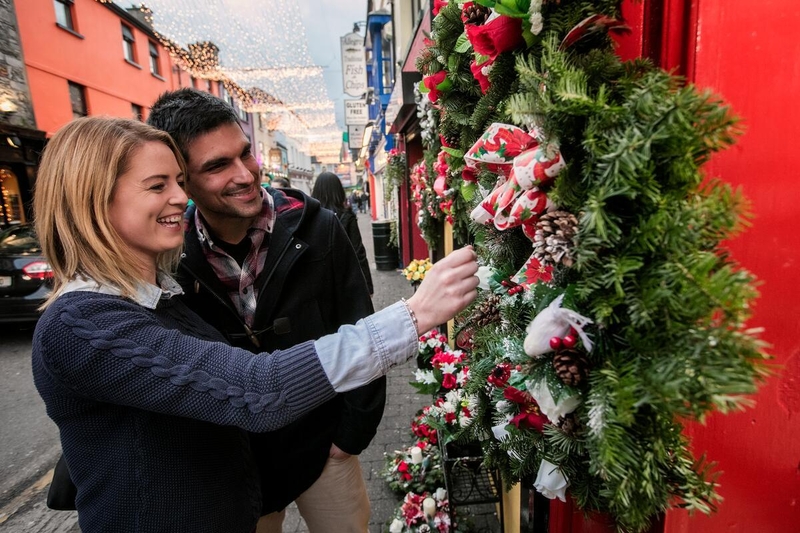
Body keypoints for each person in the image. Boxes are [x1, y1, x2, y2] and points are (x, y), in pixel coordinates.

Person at [31, 116, 478, 533]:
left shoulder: (157, 296)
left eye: (178, 182)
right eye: (156, 185)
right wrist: (414, 314)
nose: (178, 198)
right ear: (92, 200)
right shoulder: (80, 323)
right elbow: (256, 388)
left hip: (299, 458)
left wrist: (350, 433)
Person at [147, 88, 381, 532]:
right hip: (238, 460)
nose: (245, 174)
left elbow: (362, 325)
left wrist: (351, 434)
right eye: (217, 166)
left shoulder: (320, 228)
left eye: (245, 153)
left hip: (322, 443)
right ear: (184, 180)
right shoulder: (172, 256)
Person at [312, 172, 373, 296]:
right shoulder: (347, 216)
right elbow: (358, 252)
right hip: (344, 280)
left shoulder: (310, 217)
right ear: (339, 191)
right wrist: (367, 286)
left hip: (318, 283)